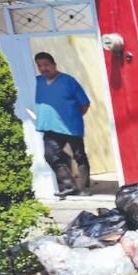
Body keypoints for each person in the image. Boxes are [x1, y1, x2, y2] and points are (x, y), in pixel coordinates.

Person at [33, 52, 91, 197]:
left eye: (46, 65)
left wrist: (73, 117)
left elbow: (84, 103)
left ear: (54, 65)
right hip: (49, 126)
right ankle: (69, 186)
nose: (43, 68)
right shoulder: (36, 82)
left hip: (71, 126)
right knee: (50, 155)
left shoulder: (68, 81)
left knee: (79, 156)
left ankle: (84, 188)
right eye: (39, 65)